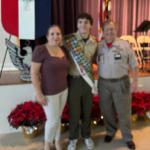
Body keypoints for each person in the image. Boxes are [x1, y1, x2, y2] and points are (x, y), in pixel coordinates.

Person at [97, 20, 138, 150]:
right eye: (107, 29)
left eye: (112, 29)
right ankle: (110, 131)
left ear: (116, 29)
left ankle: (127, 137)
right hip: (103, 83)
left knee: (124, 112)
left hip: (121, 82)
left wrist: (135, 82)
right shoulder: (98, 46)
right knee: (107, 110)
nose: (110, 31)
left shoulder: (124, 45)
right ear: (102, 32)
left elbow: (134, 64)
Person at [31, 25, 69, 150]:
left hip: (63, 90)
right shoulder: (40, 50)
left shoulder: (63, 49)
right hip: (48, 93)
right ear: (47, 36)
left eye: (58, 34)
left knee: (57, 118)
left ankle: (57, 141)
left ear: (61, 36)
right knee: (52, 120)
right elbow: (34, 74)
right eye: (52, 34)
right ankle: (47, 144)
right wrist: (39, 93)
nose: (55, 36)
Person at [64, 13, 97, 150]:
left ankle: (86, 136)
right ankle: (72, 138)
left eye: (86, 22)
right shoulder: (69, 40)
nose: (83, 25)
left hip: (88, 80)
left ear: (90, 25)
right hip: (74, 80)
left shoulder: (95, 42)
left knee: (87, 111)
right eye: (80, 22)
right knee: (74, 112)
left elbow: (95, 60)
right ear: (77, 24)